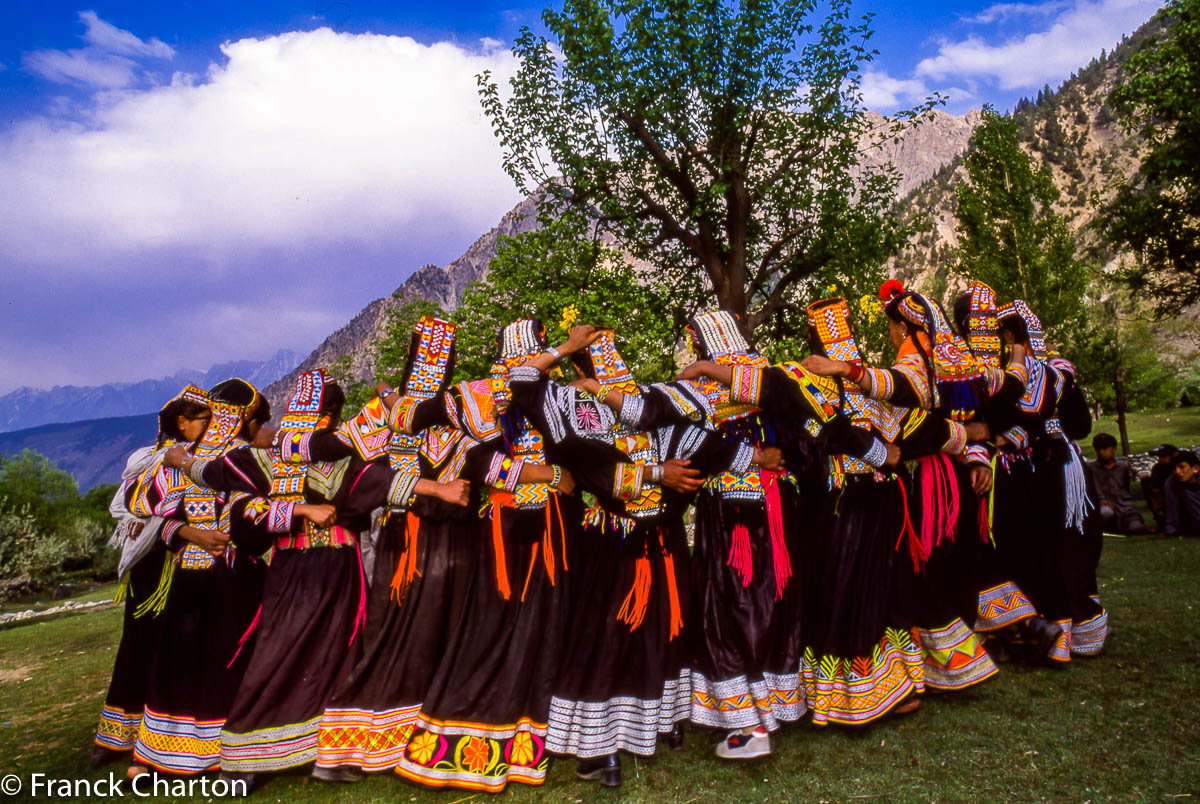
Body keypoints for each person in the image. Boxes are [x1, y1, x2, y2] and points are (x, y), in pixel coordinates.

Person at [164, 369, 467, 789]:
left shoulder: (305, 458)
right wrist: (300, 511)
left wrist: (437, 490)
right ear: (328, 416)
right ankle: (246, 754)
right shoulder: (271, 459)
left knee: (335, 656)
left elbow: (377, 483)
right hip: (304, 567)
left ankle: (325, 752)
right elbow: (241, 510)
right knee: (279, 651)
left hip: (332, 568)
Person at [393, 320, 580, 793]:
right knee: (490, 627)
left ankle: (534, 740)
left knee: (542, 626)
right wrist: (542, 473)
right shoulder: (477, 397)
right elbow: (476, 462)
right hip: (503, 530)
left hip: (552, 527)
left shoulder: (554, 398)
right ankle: (466, 740)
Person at [804, 282, 1000, 691]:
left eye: (893, 328)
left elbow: (903, 402)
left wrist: (847, 371)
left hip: (927, 483)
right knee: (930, 571)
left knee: (922, 573)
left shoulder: (916, 362)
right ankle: (942, 663)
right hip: (941, 477)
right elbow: (952, 421)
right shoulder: (952, 359)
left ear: (905, 327)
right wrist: (970, 442)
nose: (891, 336)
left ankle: (938, 665)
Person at [120, 379, 280, 777]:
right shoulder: (242, 459)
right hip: (232, 571)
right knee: (225, 659)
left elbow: (149, 508)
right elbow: (155, 515)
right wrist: (200, 534)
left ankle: (159, 756)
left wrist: (189, 534)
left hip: (192, 571)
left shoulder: (181, 459)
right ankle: (232, 752)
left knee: (183, 660)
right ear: (246, 417)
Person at [92, 386, 208, 767]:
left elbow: (131, 507)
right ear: (182, 422)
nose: (208, 428)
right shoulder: (170, 462)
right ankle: (143, 736)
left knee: (145, 646)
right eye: (203, 421)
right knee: (155, 646)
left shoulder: (152, 462)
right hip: (163, 564)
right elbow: (150, 508)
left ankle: (124, 737)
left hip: (154, 562)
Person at [1088, 433, 1149, 534]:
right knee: (1105, 513)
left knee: (1136, 527)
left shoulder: (1123, 467)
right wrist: (1098, 501)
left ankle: (1126, 524)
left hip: (1124, 506)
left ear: (1113, 449)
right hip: (1104, 507)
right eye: (1098, 449)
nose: (1101, 452)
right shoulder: (1091, 468)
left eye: (1104, 448)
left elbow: (1126, 487)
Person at [1142, 444, 1179, 531]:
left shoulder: (1179, 469)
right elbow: (1156, 489)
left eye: (1164, 456)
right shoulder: (1158, 469)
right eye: (1159, 456)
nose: (1160, 459)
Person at [1165, 451, 1200, 538]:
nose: (1177, 472)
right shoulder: (1173, 485)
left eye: (1182, 467)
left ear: (1195, 468)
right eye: (1174, 468)